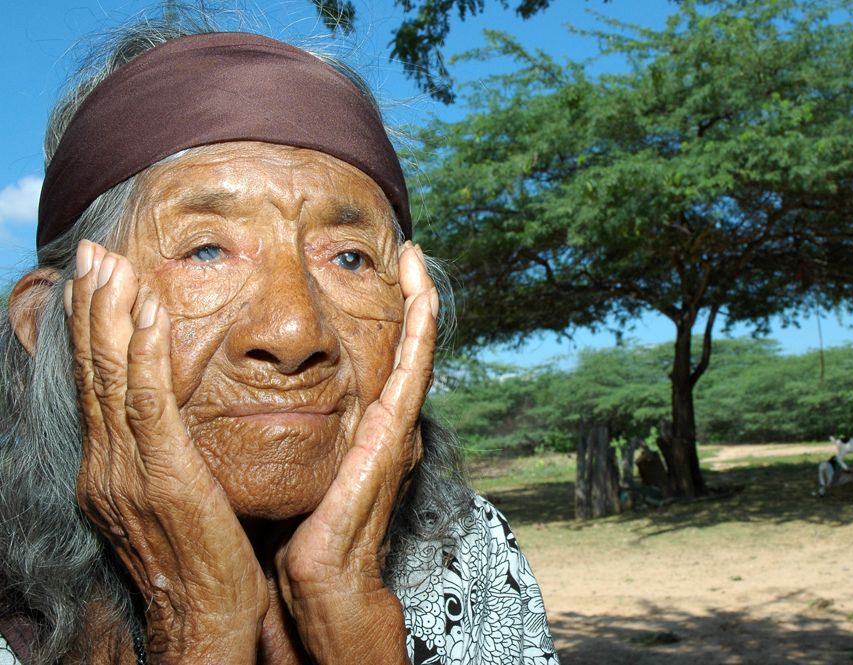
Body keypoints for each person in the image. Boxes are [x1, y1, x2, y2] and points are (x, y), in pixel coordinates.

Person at [0, 10, 559, 665]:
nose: (295, 330)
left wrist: (352, 620)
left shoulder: (467, 548)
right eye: (206, 250)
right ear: (48, 321)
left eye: (349, 257)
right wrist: (201, 624)